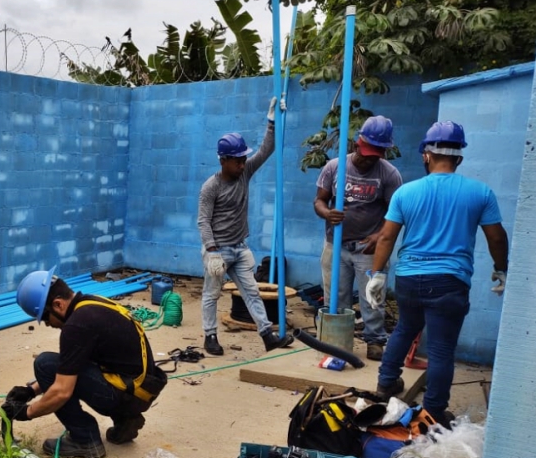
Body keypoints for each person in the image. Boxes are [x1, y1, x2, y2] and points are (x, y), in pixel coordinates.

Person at [365, 121, 508, 426]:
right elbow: (496, 237)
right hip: (449, 280)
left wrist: (377, 274)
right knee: (441, 347)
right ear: (459, 157)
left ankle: (386, 384)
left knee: (405, 328)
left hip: (409, 278)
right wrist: (502, 269)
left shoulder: (406, 192)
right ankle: (433, 412)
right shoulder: (481, 193)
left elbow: (387, 237)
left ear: (426, 155)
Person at [3, 268, 168, 458]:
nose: (48, 324)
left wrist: (27, 412)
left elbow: (62, 390)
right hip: (139, 390)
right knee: (55, 366)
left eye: (46, 318)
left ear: (57, 305)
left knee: (44, 364)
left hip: (127, 394)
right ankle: (125, 419)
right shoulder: (92, 305)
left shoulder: (76, 326)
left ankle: (85, 439)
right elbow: (75, 363)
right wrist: (31, 391)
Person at [197, 97, 294, 356]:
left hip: (239, 248)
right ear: (223, 160)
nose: (242, 164)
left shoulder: (246, 172)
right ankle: (210, 336)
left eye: (243, 160)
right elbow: (203, 220)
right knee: (211, 294)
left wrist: (272, 121)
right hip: (218, 250)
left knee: (252, 292)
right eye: (237, 160)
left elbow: (266, 150)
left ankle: (267, 335)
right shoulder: (211, 187)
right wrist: (212, 251)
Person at [313, 116, 403, 361]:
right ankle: (336, 342)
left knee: (372, 298)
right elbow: (319, 201)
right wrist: (327, 213)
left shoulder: (389, 174)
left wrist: (380, 235)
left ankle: (374, 340)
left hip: (368, 247)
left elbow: (395, 214)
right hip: (336, 244)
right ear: (356, 145)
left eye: (375, 155)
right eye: (365, 153)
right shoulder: (334, 167)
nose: (368, 159)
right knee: (335, 297)